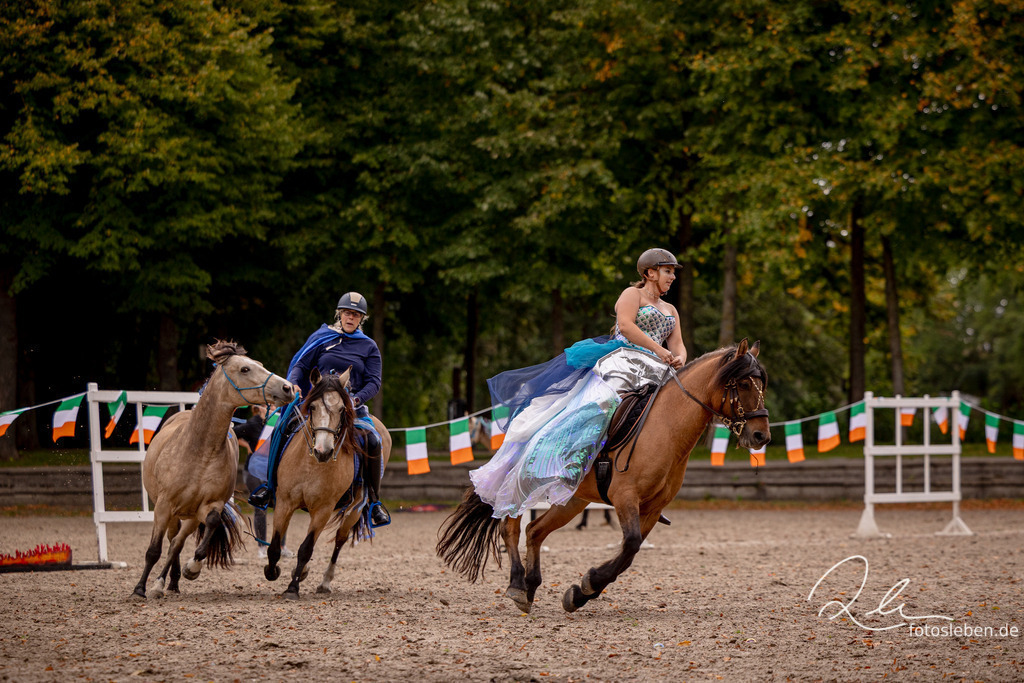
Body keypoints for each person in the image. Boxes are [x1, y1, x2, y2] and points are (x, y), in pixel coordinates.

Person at [472, 248, 688, 519]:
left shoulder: (670, 310)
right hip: (625, 361)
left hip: (659, 369)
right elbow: (627, 326)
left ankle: (652, 490)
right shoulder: (632, 295)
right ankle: (569, 461)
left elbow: (678, 344)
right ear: (650, 272)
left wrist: (679, 357)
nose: (672, 277)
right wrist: (659, 349)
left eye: (673, 272)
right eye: (668, 271)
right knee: (603, 402)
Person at [286, 292, 390, 527]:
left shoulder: (369, 346)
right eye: (347, 313)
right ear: (339, 314)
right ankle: (269, 486)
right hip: (319, 405)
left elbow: (374, 381)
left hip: (351, 407)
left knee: (373, 440)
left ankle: (373, 502)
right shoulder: (322, 338)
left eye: (355, 314)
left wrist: (355, 400)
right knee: (284, 428)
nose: (350, 317)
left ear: (361, 318)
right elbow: (301, 365)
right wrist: (294, 382)